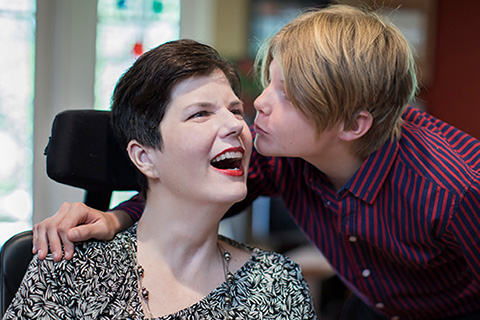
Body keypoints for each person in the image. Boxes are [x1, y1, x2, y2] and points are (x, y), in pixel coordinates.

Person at [32, 4, 480, 320]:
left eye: (287, 96)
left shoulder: (456, 188)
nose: (257, 104)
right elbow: (187, 200)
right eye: (270, 82)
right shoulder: (282, 154)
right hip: (370, 303)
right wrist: (114, 219)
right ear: (142, 154)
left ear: (352, 125)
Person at [4, 39, 317, 319]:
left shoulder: (276, 282)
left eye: (236, 111)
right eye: (201, 114)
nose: (236, 125)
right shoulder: (72, 267)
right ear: (144, 157)